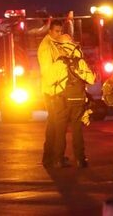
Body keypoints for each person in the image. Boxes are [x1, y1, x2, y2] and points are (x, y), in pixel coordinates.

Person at [53, 33, 96, 168]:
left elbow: (51, 82)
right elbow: (92, 80)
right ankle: (80, 160)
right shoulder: (80, 61)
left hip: (62, 100)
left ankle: (58, 160)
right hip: (78, 99)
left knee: (60, 131)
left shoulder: (58, 63)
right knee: (77, 130)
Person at [38, 19, 68, 168]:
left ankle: (50, 157)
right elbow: (48, 73)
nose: (59, 34)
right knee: (58, 126)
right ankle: (56, 158)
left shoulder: (54, 44)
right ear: (50, 31)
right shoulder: (46, 48)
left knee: (53, 126)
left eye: (61, 31)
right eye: (56, 31)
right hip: (52, 92)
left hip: (54, 90)